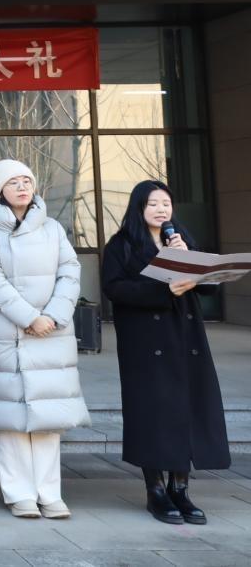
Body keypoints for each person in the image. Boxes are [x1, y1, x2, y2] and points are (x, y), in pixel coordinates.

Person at [102, 179, 229, 525]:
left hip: (186, 338)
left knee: (187, 409)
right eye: (153, 204)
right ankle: (156, 491)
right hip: (146, 342)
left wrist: (191, 262)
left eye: (166, 204)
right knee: (154, 414)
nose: (161, 210)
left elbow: (209, 288)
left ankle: (181, 489)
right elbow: (114, 288)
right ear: (139, 208)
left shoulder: (180, 240)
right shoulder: (122, 245)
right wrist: (164, 289)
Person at [0, 159, 90, 520]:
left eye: (27, 180)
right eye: (13, 182)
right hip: (9, 335)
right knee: (10, 419)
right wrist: (29, 317)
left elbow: (70, 272)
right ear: (0, 191)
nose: (22, 187)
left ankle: (49, 493)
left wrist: (52, 315)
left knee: (47, 417)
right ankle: (19, 493)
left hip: (51, 334)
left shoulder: (53, 228)